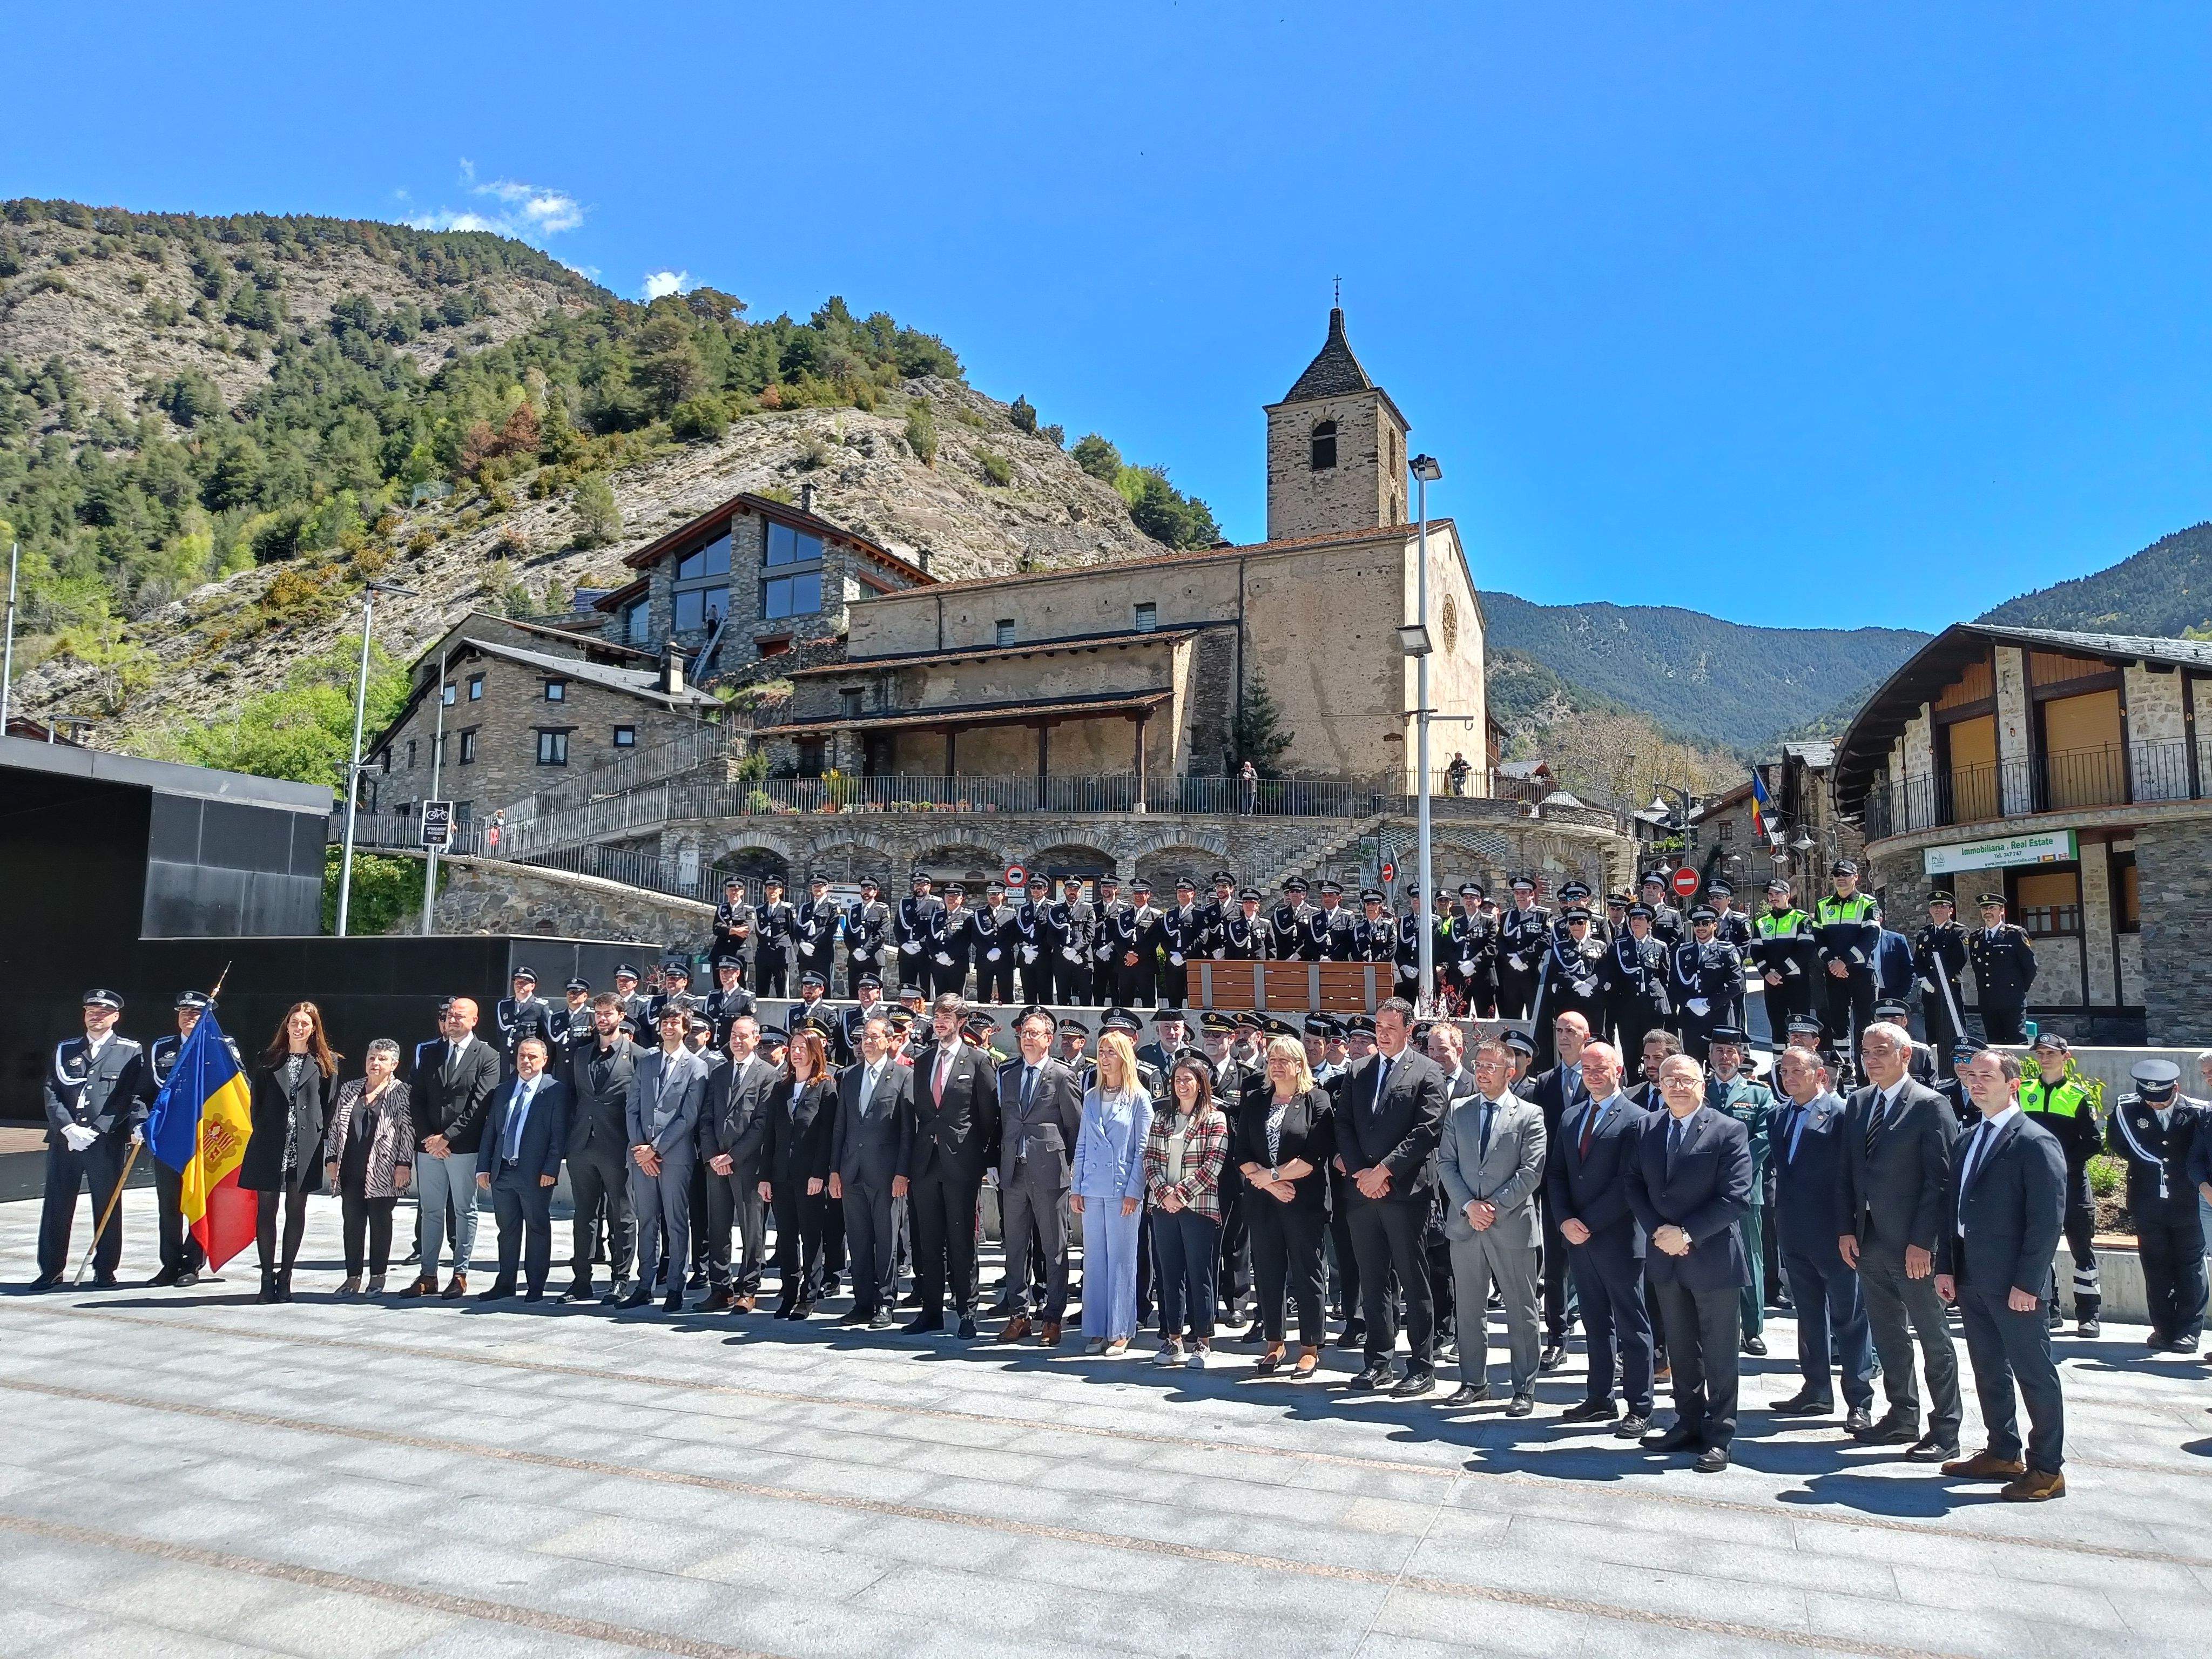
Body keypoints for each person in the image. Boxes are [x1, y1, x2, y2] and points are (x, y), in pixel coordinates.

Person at [1936, 1047, 2069, 1501]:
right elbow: (1952, 1209)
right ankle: (2002, 1451)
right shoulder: (1967, 1137)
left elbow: (2047, 1221)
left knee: (2034, 1374)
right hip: (1972, 1278)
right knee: (1989, 1368)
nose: (1975, 1082)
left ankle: (2047, 1469)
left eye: (1986, 1075)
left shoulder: (2035, 1141)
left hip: (2017, 1286)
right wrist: (1947, 1267)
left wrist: (2027, 1284)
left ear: (2013, 1084)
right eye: (1971, 1075)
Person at [1838, 1021, 1963, 1462]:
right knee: (1888, 1333)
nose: (1871, 1059)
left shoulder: (1931, 1106)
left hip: (1913, 1247)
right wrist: (1846, 1229)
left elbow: (1942, 1183)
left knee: (1932, 1336)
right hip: (1869, 1241)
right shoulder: (1858, 1104)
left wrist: (1923, 1242)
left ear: (1905, 1055)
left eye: (1881, 1051)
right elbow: (1849, 1174)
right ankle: (1901, 1415)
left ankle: (1947, 1429)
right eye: (1865, 1052)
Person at [1630, 1053, 1755, 1472]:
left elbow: (1735, 1196)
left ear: (1702, 1084)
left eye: (1685, 1080)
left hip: (1713, 1258)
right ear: (1659, 1086)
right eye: (1669, 1080)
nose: (1676, 1087)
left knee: (1719, 1353)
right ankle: (1686, 1423)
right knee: (1681, 1349)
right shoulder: (1647, 1127)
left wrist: (1686, 1234)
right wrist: (1660, 1233)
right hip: (1666, 1259)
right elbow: (1633, 1184)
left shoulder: (1728, 1130)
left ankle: (1720, 1434)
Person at [1337, 998, 1449, 1397]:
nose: (1382, 1033)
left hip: (1405, 1193)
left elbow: (1427, 1131)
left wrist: (1384, 1171)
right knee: (1373, 1280)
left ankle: (1421, 1365)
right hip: (1362, 1194)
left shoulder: (1428, 1071)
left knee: (1414, 1280)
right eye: (1378, 1026)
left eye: (1389, 1027)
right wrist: (1361, 1174)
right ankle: (1378, 1360)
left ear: (1408, 1030)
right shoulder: (1358, 1070)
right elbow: (1345, 1124)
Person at [1546, 1038, 1654, 1432]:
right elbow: (1556, 1174)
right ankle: (1599, 1399)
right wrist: (1564, 1220)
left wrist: (1586, 1222)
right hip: (1578, 1238)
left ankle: (1640, 1406)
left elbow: (1630, 1183)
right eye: (1587, 1070)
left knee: (1632, 1324)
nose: (1593, 1076)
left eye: (1600, 1069)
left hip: (1618, 1238)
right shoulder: (1572, 1116)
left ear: (1618, 1071)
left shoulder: (1637, 1118)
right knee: (1594, 1321)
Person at [1768, 1046, 1876, 1430]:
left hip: (1835, 1233)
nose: (1789, 1077)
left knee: (1849, 1317)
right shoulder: (1779, 1115)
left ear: (1820, 1075)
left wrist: (1852, 1228)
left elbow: (1854, 1175)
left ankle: (1859, 1399)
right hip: (1794, 1231)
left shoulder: (1843, 1113)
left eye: (1797, 1070)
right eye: (1784, 1071)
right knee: (1809, 1314)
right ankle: (1815, 1389)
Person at [1441, 1036, 1550, 1413]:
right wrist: (1470, 1205)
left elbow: (1531, 1172)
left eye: (1490, 1065)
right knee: (1470, 1309)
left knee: (1521, 1310)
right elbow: (1446, 1164)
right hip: (1467, 1226)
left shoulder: (1530, 1114)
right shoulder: (1458, 1110)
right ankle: (1474, 1382)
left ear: (1511, 1071)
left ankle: (1524, 1388)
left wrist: (1492, 1208)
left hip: (1511, 1226)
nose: (1482, 1072)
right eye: (1478, 1065)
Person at [33, 989, 150, 1291]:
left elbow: (127, 1096)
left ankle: (105, 1269)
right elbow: (51, 1091)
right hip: (66, 1141)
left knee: (108, 1205)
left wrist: (98, 1129)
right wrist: (69, 1129)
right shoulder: (66, 1049)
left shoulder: (130, 1050)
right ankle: (51, 1269)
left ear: (115, 1017)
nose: (95, 1016)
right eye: (91, 1011)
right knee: (57, 1205)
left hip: (105, 1142)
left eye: (102, 1012)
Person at [1237, 1034, 1333, 1377]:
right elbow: (1242, 1153)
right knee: (1267, 1272)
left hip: (1303, 1202)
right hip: (1264, 1202)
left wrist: (1272, 1176)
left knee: (1307, 1272)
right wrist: (1269, 1184)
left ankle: (1310, 1347)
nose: (1276, 1066)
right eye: (1272, 1060)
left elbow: (1314, 1156)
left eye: (1284, 1060)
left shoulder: (1317, 1100)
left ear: (1298, 1064)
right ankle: (1274, 1343)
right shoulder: (1256, 1101)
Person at [905, 994, 1001, 1337]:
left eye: (946, 1017)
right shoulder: (924, 1059)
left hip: (961, 1163)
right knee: (928, 1240)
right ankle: (930, 1311)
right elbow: (920, 1112)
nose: (939, 1022)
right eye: (936, 1016)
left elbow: (989, 1117)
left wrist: (984, 1160)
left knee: (962, 1240)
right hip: (926, 1163)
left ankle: (967, 1312)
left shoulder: (978, 1061)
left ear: (961, 1022)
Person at [401, 997, 502, 1300]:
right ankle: (428, 1275)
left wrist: (448, 1137)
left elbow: (480, 1104)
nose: (452, 1020)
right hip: (430, 1148)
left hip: (464, 1147)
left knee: (464, 1210)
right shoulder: (431, 1053)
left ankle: (460, 1274)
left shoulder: (488, 1055)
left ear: (474, 1020)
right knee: (430, 1210)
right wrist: (429, 1137)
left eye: (460, 1016)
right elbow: (416, 1097)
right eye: (449, 1015)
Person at [2109, 1059, 2207, 1354]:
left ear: (2175, 1088)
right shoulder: (2127, 1109)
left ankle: (2188, 1332)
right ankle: (2163, 1330)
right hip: (2147, 1201)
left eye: (2161, 1099)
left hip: (2188, 1202)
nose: (2154, 1104)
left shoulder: (2197, 1112)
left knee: (2191, 1266)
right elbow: (2119, 1145)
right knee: (2155, 1266)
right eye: (2148, 1098)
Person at [242, 1002, 338, 1303]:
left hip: (305, 1146)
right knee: (266, 1211)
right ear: (287, 1026)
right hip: (270, 1144)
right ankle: (266, 1278)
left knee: (295, 1211)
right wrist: (268, 1131)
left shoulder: (327, 1062)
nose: (299, 1027)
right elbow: (255, 1105)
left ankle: (286, 1278)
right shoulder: (267, 1059)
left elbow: (329, 1107)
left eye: (306, 1024)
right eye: (294, 1022)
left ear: (314, 1030)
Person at [999, 1009, 1085, 1345]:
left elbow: (1076, 1129)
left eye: (1034, 1034)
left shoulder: (1062, 1076)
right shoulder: (1008, 1073)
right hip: (1015, 1171)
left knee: (1055, 1247)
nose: (1027, 1038)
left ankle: (1052, 1318)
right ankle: (1018, 1315)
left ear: (1049, 1039)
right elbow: (1003, 1122)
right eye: (1024, 1033)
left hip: (1050, 1172)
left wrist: (1077, 1171)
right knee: (1015, 1247)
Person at [829, 1014, 914, 1330]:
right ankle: (862, 1302)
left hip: (887, 1175)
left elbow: (908, 1132)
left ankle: (885, 1302)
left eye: (875, 1037)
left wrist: (902, 1173)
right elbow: (841, 1126)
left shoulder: (903, 1075)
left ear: (890, 1041)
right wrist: (835, 1171)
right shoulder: (849, 1076)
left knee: (886, 1241)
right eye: (864, 1037)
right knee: (859, 1240)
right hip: (852, 1173)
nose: (868, 1042)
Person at [148, 991, 237, 1289]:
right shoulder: (162, 1048)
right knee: (168, 1205)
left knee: (201, 1198)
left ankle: (192, 1263)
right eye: (184, 1012)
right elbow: (143, 1091)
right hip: (168, 1138)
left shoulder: (221, 1047)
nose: (189, 1017)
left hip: (204, 1139)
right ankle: (169, 1264)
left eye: (197, 1013)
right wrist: (141, 1123)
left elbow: (239, 1089)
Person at [624, 1001, 709, 1313]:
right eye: (665, 1021)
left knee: (675, 1222)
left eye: (675, 1022)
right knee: (646, 1220)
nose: (668, 1026)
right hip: (641, 1155)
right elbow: (632, 1106)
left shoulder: (697, 1067)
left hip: (674, 1155)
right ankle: (644, 1284)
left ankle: (675, 1286)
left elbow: (688, 1117)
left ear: (685, 1029)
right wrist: (640, 1149)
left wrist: (655, 1149)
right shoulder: (646, 1061)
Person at [1073, 1028, 1154, 1355]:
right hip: (1092, 1188)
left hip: (1122, 1190)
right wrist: (1077, 1187)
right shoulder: (1091, 1096)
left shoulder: (1139, 1098)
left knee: (1121, 1259)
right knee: (1094, 1259)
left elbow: (1144, 1149)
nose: (1104, 1059)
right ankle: (1096, 1327)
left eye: (1111, 1052)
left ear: (1125, 1057)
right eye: (1101, 1051)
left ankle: (1121, 1328)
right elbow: (1081, 1145)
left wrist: (1135, 1190)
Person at [2018, 1032, 2105, 1336]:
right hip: (2033, 1184)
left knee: (2083, 1249)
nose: (2044, 1058)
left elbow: (2094, 1142)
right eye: (2040, 1053)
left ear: (2066, 1057)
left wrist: (2061, 1164)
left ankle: (2089, 1314)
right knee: (2038, 1246)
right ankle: (2050, 1309)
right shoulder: (2022, 1091)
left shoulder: (2078, 1095)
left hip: (2071, 1182)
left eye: (2051, 1053)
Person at [1147, 1053, 1230, 1368]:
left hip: (1198, 1206)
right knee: (1169, 1275)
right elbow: (1150, 1159)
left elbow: (1214, 1163)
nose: (1182, 1085)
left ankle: (1203, 1341)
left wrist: (1180, 1194)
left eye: (1188, 1080)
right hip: (1163, 1206)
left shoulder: (1215, 1117)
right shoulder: (1162, 1118)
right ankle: (1173, 1341)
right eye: (1177, 1080)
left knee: (1200, 1274)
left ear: (1201, 1084)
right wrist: (1163, 1193)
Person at [474, 1034, 569, 1301]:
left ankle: (536, 1285)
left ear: (545, 1060)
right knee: (507, 1229)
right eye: (521, 1056)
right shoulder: (504, 1090)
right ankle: (505, 1282)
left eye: (532, 1057)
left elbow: (558, 1134)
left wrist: (551, 1169)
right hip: (502, 1171)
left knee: (537, 1228)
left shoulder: (555, 1090)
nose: (526, 1061)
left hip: (535, 1174)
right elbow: (491, 1131)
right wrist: (484, 1167)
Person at [1525, 1011, 1594, 1371]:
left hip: (1594, 1188)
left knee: (1596, 1265)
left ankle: (1603, 1338)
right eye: (1559, 1030)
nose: (1564, 1036)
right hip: (1556, 1187)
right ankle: (1557, 1338)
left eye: (1572, 1031)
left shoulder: (1600, 1074)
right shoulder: (1546, 1081)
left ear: (1587, 1036)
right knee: (1555, 1266)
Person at [1702, 1029, 1776, 1356]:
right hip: (1702, 1192)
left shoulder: (1759, 1095)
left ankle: (1752, 1328)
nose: (1724, 1057)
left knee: (1750, 1257)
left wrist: (1731, 1169)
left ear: (1742, 1056)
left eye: (1731, 1051)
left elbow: (1765, 1138)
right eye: (1718, 1051)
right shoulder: (1699, 1092)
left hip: (1745, 1191)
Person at [563, 993, 640, 1303]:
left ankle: (620, 1280)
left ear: (621, 1016)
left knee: (621, 1215)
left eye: (608, 1013)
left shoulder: (639, 1056)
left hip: (618, 1146)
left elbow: (643, 1106)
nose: (602, 1019)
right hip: (582, 1145)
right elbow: (571, 1098)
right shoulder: (581, 1055)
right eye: (598, 1014)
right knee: (583, 1216)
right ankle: (581, 1280)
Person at [322, 1038, 414, 1296]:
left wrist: (404, 1164)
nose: (375, 1063)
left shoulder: (401, 1091)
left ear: (394, 1064)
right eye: (372, 1057)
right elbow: (335, 1126)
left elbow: (407, 1131)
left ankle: (378, 1276)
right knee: (352, 1223)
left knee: (380, 1222)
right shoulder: (350, 1088)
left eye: (382, 1059)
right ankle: (352, 1277)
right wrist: (331, 1159)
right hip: (351, 1167)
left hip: (385, 1169)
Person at [760, 1024, 838, 1318]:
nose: (796, 1053)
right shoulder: (780, 1089)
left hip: (810, 1177)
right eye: (793, 1047)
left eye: (802, 1048)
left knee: (811, 1235)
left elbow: (826, 1135)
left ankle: (810, 1293)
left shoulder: (826, 1086)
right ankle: (788, 1291)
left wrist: (820, 1173)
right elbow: (771, 1136)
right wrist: (764, 1176)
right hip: (781, 1176)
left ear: (815, 1052)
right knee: (786, 1235)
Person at [698, 1013, 775, 1313]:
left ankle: (748, 1287)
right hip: (716, 1163)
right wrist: (713, 1156)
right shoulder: (718, 1073)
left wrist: (733, 1156)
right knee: (717, 1226)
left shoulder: (767, 1074)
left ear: (756, 1039)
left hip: (747, 1164)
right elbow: (706, 1118)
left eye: (744, 1036)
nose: (737, 1040)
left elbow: (761, 1124)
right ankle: (720, 1288)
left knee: (751, 1227)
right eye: (734, 1035)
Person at [1815, 861, 1881, 1074]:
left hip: (1861, 972)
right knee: (1838, 1023)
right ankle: (1844, 1068)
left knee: (1864, 1023)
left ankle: (1864, 1070)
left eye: (1845, 874)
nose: (1840, 878)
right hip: (1834, 972)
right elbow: (1818, 938)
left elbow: (1871, 937)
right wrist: (1832, 963)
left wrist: (1845, 961)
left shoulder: (1868, 903)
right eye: (1836, 874)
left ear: (1856, 878)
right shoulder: (1822, 905)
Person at [1752, 879, 1816, 1049]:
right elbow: (1756, 951)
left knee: (1800, 1028)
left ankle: (1801, 1066)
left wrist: (1780, 972)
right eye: (1770, 894)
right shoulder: (1761, 921)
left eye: (1777, 894)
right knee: (1777, 1028)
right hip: (1772, 984)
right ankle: (1778, 1069)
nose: (1773, 898)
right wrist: (1767, 973)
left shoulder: (1801, 918)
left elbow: (1806, 950)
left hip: (1797, 983)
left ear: (1787, 895)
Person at [1912, 892, 1971, 1077]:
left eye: (1943, 906)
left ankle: (1957, 1072)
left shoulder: (1959, 932)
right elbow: (1918, 961)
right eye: (1935, 906)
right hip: (1930, 991)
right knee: (1933, 1032)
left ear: (1951, 911)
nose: (1938, 910)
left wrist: (1937, 981)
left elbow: (1958, 960)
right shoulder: (1925, 933)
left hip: (1949, 990)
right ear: (1930, 910)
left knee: (1954, 1032)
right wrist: (1924, 980)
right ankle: (1936, 1072)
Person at [1602, 903, 1671, 1060]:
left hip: (1652, 1008)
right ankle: (1633, 1083)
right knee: (1630, 1053)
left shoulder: (1660, 947)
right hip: (1628, 1008)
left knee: (1654, 1053)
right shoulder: (1619, 945)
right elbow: (1614, 974)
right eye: (1633, 918)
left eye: (1641, 918)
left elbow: (1665, 978)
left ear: (1649, 923)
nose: (1636, 922)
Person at [1968, 894, 2038, 1044]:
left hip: (2012, 1002)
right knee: (1995, 1046)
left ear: (2001, 911)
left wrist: (2018, 990)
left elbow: (2030, 967)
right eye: (1984, 908)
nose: (1988, 911)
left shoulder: (2015, 934)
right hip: (1988, 1002)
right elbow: (1978, 969)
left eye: (1992, 908)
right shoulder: (1975, 938)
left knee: (2018, 1044)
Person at [1496, 876, 1550, 1020]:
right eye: (1517, 893)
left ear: (1532, 895)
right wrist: (1510, 958)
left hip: (1533, 974)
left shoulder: (1542, 915)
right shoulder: (1507, 916)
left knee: (1536, 1019)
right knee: (1511, 1020)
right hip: (1511, 975)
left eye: (1524, 893)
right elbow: (1500, 940)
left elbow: (1546, 939)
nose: (1520, 896)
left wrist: (1523, 957)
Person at [846, 876, 892, 999]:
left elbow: (881, 934)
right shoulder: (854, 910)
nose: (866, 892)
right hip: (855, 959)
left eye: (869, 889)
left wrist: (866, 951)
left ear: (875, 892)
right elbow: (848, 935)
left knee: (874, 994)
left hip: (873, 958)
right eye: (863, 889)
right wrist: (855, 950)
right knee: (854, 994)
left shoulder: (882, 909)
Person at [753, 874, 795, 997]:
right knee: (761, 991)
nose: (772, 891)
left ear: (781, 891)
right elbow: (758, 932)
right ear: (766, 890)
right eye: (769, 888)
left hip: (780, 954)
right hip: (764, 954)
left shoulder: (788, 909)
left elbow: (792, 932)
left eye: (775, 889)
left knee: (782, 991)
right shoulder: (759, 909)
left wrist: (783, 945)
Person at [712, 878, 754, 976]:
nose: (734, 893)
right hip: (721, 952)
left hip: (740, 952)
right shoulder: (721, 909)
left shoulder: (749, 910)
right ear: (727, 892)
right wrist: (736, 930)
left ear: (742, 892)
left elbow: (747, 929)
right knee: (719, 986)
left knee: (741, 986)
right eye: (731, 890)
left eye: (737, 890)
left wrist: (727, 930)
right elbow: (717, 929)